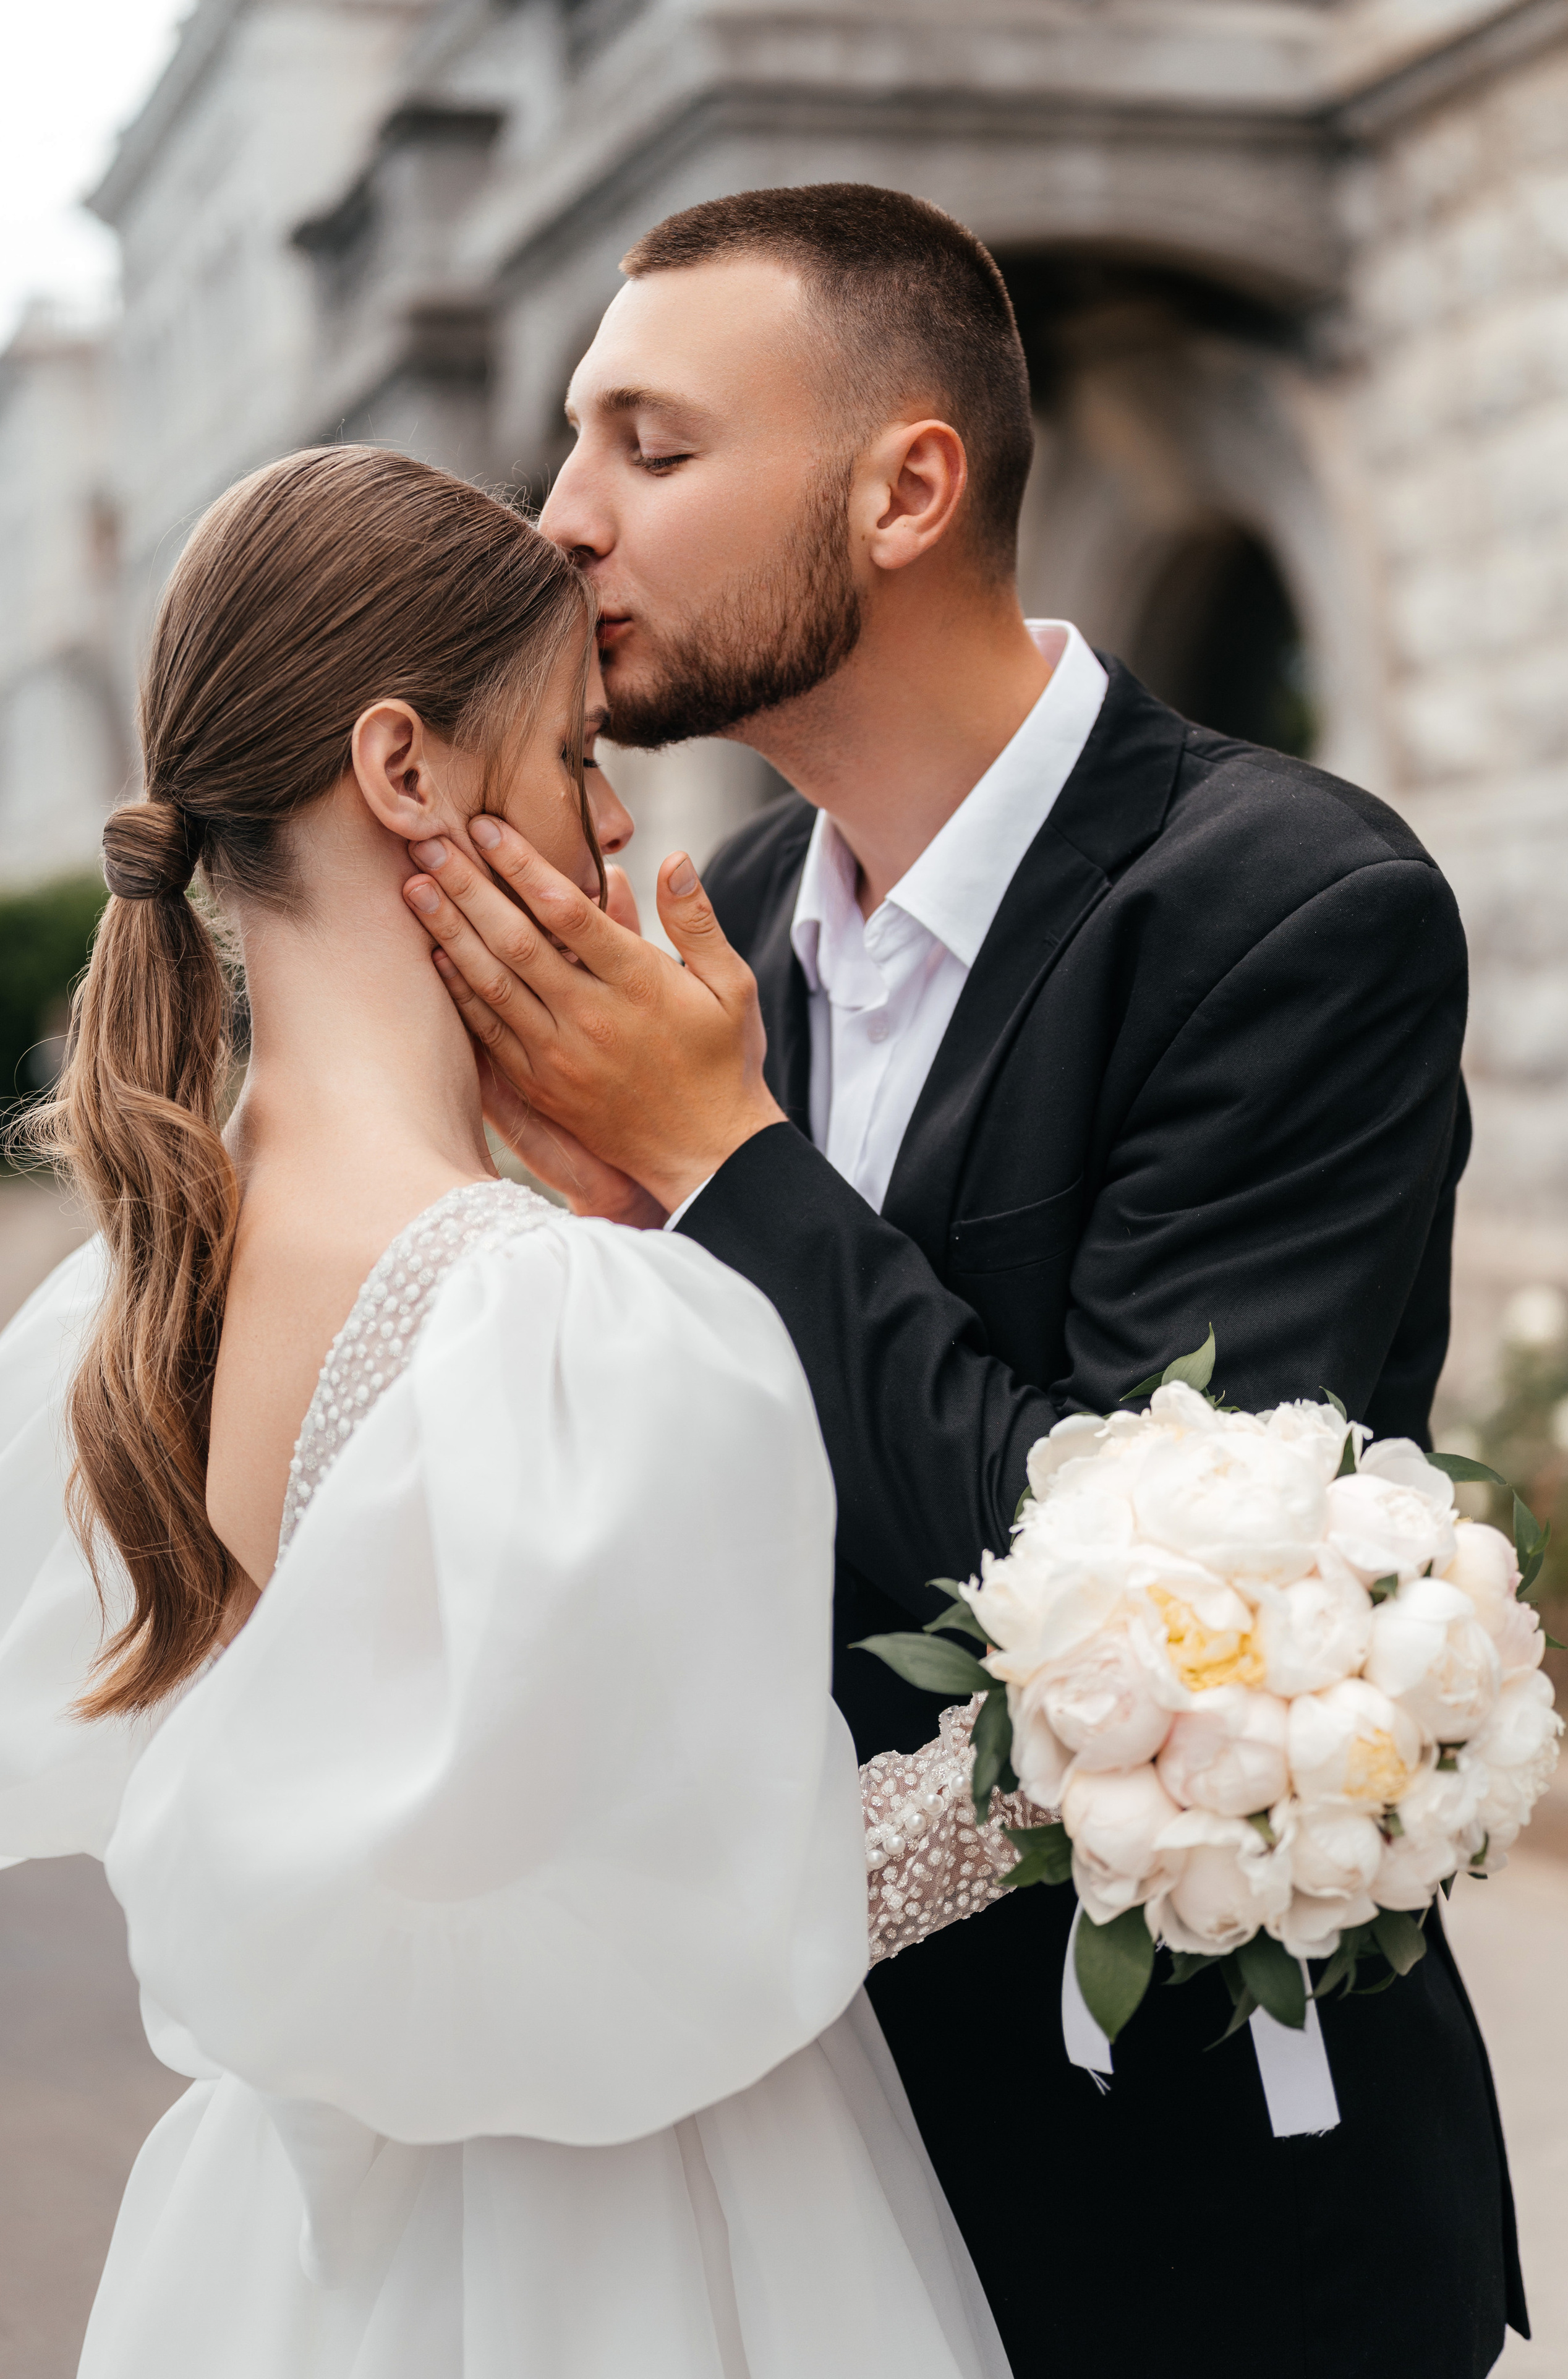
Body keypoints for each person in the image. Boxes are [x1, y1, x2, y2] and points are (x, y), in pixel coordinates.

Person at [403, 184, 1526, 2377]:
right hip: (791, 2192)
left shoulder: (1292, 913)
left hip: (1202, 2226)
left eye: (649, 447)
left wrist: (721, 1162)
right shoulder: (717, 924)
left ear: (908, 484)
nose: (557, 523)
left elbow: (1128, 1592)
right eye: (570, 444)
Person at [0, 444, 1030, 2379]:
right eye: (571, 754)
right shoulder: (551, 1319)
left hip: (303, 2259)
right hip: (628, 2242)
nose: (610, 815)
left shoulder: (127, 1291)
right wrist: (1082, 1762)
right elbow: (694, 1918)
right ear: (405, 773)